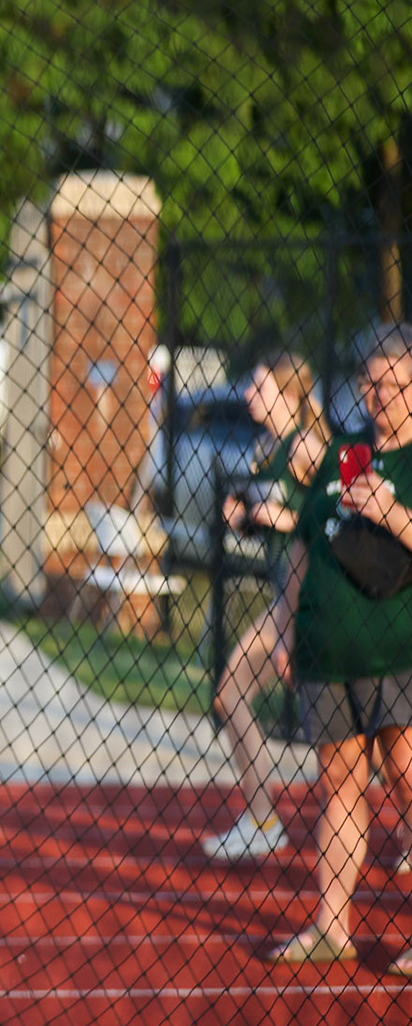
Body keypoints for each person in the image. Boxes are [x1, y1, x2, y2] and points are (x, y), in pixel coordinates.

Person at [266, 325, 412, 974]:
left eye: (395, 384)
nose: (382, 396)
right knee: (341, 786)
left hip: (397, 653)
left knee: (407, 780)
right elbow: (304, 545)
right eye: (372, 383)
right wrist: (285, 627)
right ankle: (332, 927)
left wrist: (390, 511)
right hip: (328, 652)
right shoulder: (341, 453)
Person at [202, 354, 328, 860]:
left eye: (259, 388)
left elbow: (335, 510)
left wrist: (285, 517)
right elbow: (271, 518)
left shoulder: (305, 446)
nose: (248, 396)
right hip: (286, 596)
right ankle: (263, 819)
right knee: (230, 695)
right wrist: (247, 517)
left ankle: (264, 820)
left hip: (317, 595)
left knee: (375, 734)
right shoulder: (266, 448)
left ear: (289, 394)